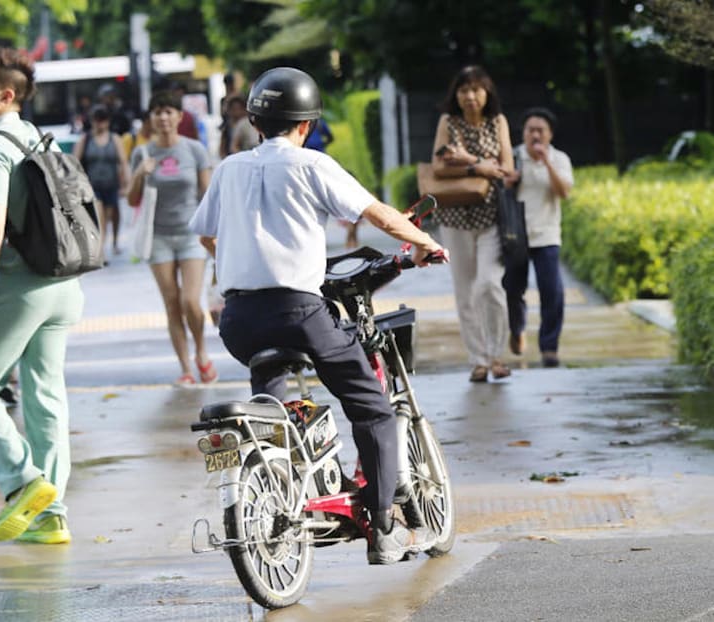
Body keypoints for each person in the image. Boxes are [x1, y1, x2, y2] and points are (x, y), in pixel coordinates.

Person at [190, 67, 447, 565]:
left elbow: (206, 235)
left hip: (238, 320)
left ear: (256, 121)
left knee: (272, 393)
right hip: (299, 310)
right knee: (370, 405)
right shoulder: (313, 165)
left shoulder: (229, 168)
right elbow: (379, 215)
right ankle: (383, 526)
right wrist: (425, 242)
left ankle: (279, 475)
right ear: (305, 125)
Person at [0, 46, 84, 545]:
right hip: (62, 285)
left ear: (5, 95)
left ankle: (23, 482)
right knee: (45, 395)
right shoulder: (36, 136)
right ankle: (52, 517)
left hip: (17, 286)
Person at [127, 90, 217, 386]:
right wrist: (140, 172)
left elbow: (207, 195)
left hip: (191, 235)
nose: (163, 117)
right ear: (150, 119)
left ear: (180, 116)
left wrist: (214, 233)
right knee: (172, 303)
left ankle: (202, 353)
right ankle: (186, 368)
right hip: (159, 238)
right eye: (157, 112)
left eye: (169, 111)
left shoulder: (194, 150)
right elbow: (131, 199)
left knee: (191, 301)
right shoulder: (141, 153)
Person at [431, 65, 514, 383]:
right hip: (455, 218)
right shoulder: (448, 122)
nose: (470, 96)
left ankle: (497, 355)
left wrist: (466, 159)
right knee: (465, 291)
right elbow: (438, 167)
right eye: (464, 90)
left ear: (487, 92)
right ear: (456, 94)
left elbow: (505, 169)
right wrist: (479, 168)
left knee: (489, 285)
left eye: (476, 89)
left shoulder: (498, 121)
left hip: (492, 216)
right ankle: (478, 360)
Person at [503, 107, 574, 368]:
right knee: (512, 288)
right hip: (516, 235)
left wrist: (546, 163)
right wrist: (509, 182)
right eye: (530, 130)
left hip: (547, 235)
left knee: (552, 292)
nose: (535, 135)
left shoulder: (559, 159)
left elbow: (564, 192)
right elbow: (499, 190)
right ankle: (517, 329)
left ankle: (549, 347)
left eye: (540, 130)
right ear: (523, 133)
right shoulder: (513, 156)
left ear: (549, 134)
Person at [73, 105, 129, 257]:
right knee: (100, 218)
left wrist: (125, 184)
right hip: (93, 185)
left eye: (103, 120)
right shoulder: (85, 139)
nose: (100, 124)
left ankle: (115, 241)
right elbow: (74, 163)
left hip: (112, 184)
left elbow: (123, 162)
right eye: (97, 120)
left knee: (113, 215)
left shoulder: (114, 139)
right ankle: (102, 250)